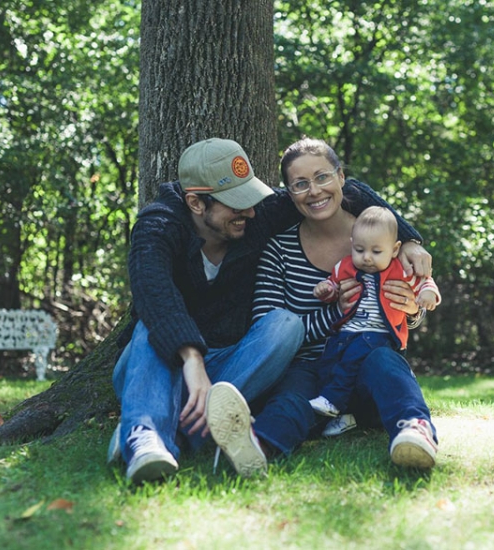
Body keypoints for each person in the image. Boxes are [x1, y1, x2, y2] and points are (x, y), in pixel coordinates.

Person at [109, 137, 431, 483]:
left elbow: (342, 190)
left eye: (248, 199)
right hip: (164, 364)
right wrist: (191, 359)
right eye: (236, 203)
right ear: (196, 203)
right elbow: (154, 294)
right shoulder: (157, 226)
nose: (249, 211)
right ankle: (146, 436)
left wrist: (409, 240)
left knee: (290, 328)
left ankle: (173, 425)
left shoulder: (254, 219)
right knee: (149, 325)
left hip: (232, 365)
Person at [205, 138, 440, 473]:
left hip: (367, 370)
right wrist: (334, 310)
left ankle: (415, 432)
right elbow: (269, 334)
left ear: (341, 178)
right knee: (291, 400)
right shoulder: (278, 251)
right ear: (289, 193)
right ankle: (257, 445)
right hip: (310, 370)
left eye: (322, 177)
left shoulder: (381, 242)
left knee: (385, 363)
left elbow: (402, 311)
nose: (314, 191)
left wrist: (412, 310)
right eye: (300, 184)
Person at [308, 206, 441, 419]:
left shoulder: (399, 269)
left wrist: (428, 295)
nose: (367, 258)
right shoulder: (345, 266)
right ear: (352, 244)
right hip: (345, 333)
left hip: (378, 334)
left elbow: (425, 282)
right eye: (360, 250)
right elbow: (333, 285)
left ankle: (332, 400)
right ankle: (345, 415)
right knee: (329, 363)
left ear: (395, 249)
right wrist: (326, 290)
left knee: (352, 359)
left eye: (376, 252)